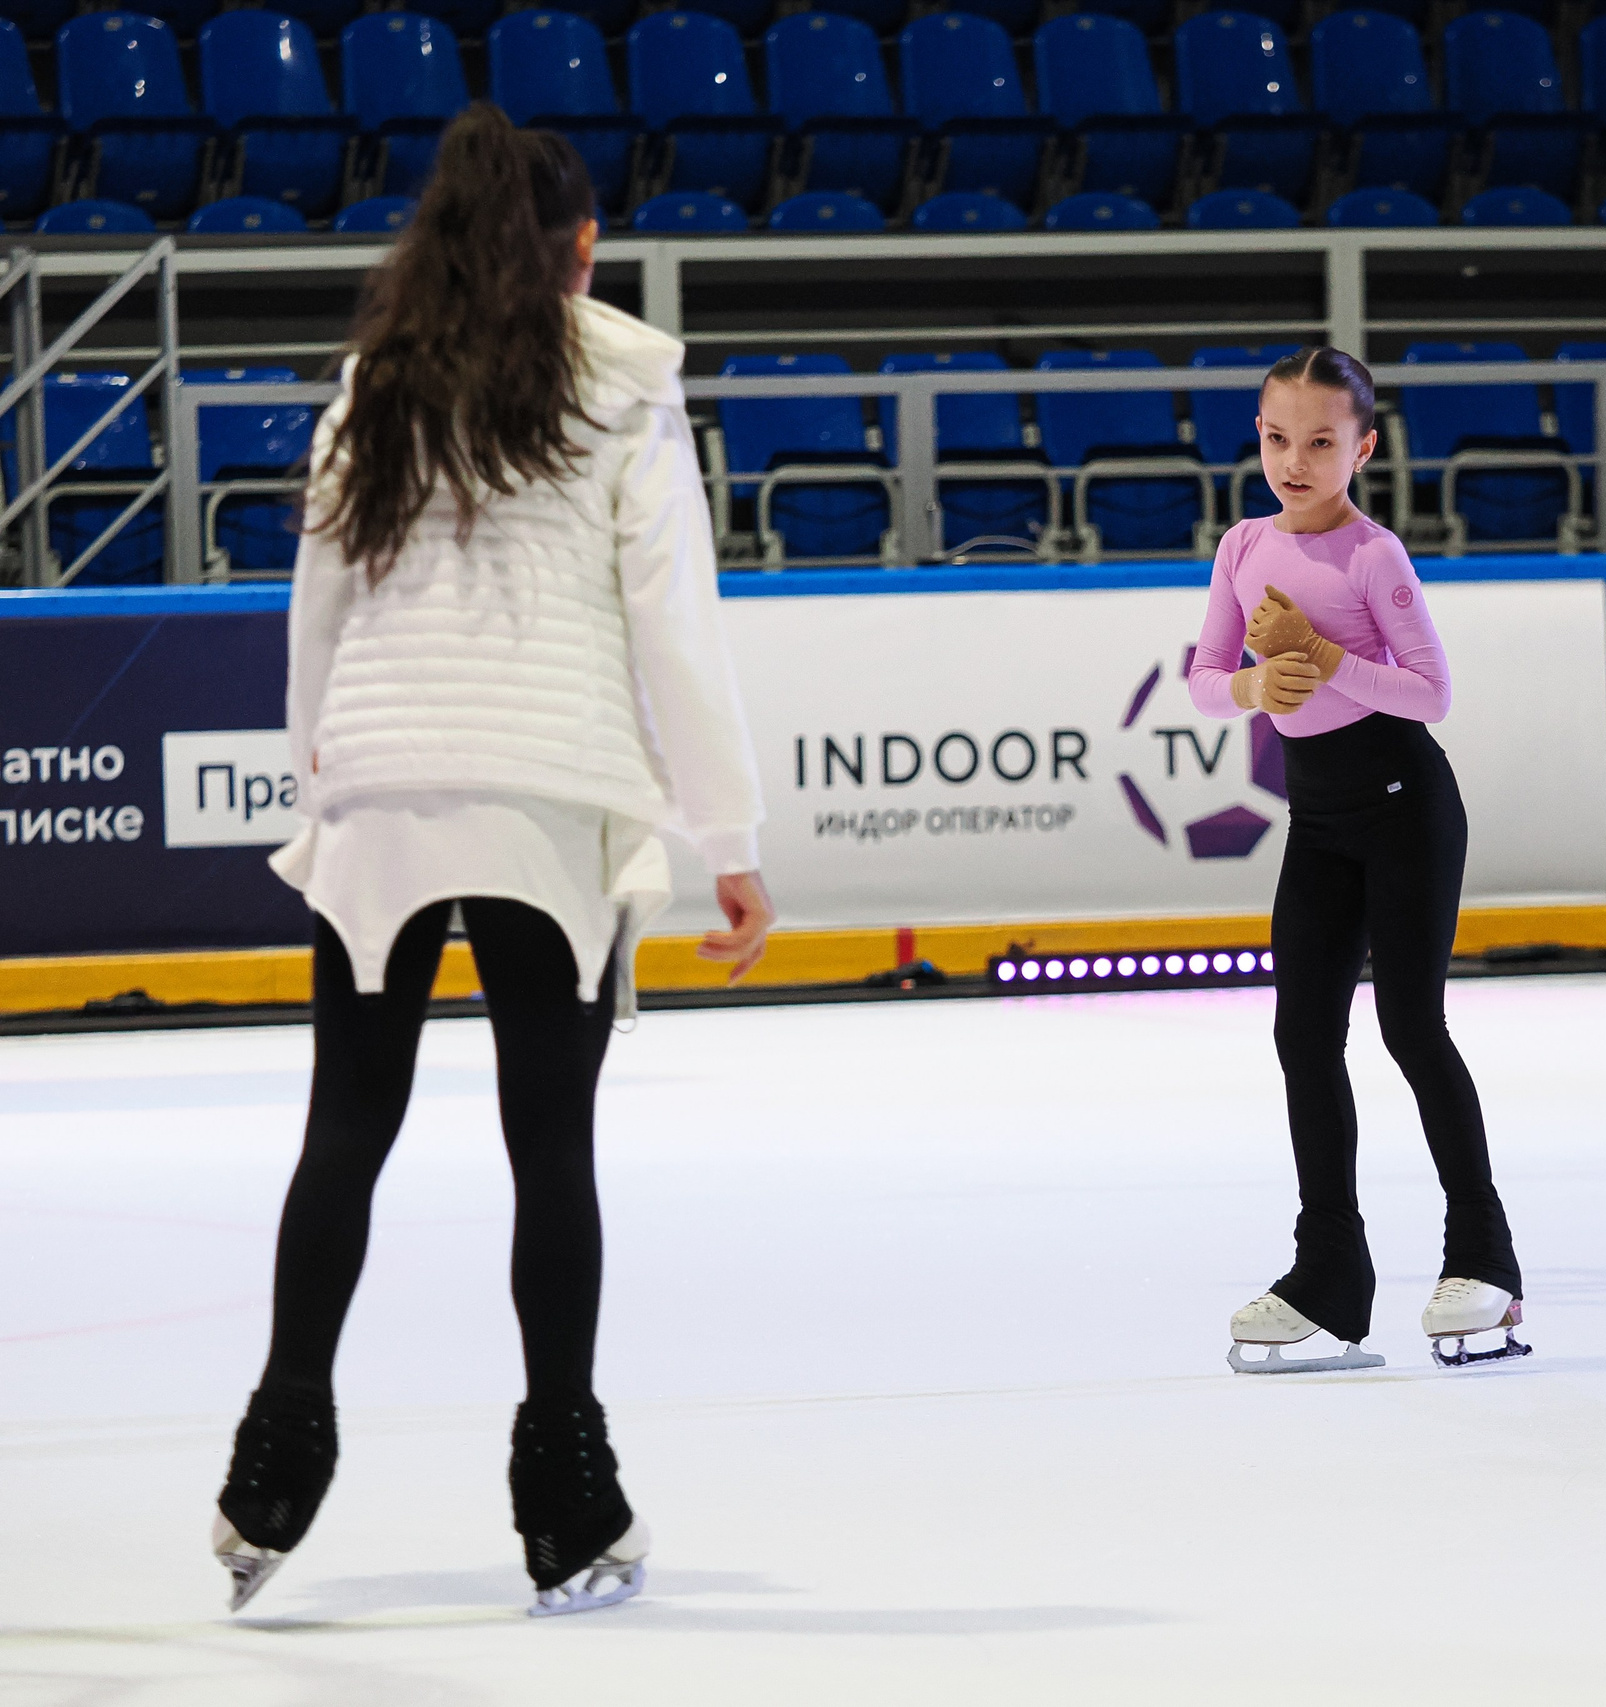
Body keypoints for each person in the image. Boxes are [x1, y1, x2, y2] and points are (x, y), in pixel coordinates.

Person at [212, 106, 773, 1618]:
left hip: (384, 792)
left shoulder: (371, 388)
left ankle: (273, 1461)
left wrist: (319, 773)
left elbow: (315, 604)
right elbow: (677, 624)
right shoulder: (625, 387)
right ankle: (566, 1494)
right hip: (546, 791)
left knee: (348, 1127)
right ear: (585, 249)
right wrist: (728, 834)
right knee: (551, 1149)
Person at [1188, 347, 1527, 1373]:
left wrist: (1328, 660)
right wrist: (1256, 689)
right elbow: (1205, 676)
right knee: (1302, 1035)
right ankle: (1328, 1274)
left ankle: (1485, 1257)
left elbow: (1430, 695)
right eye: (1277, 438)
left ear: (1362, 448)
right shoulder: (1242, 545)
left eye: (1321, 442)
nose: (1295, 459)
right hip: (1321, 821)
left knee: (1411, 1026)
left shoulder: (1372, 556)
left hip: (1405, 809)